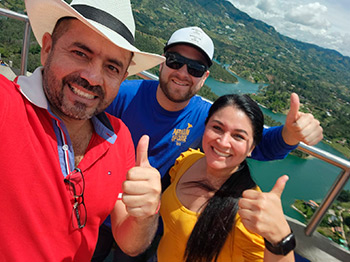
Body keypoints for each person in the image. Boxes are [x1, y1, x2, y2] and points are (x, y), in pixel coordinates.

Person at [93, 27, 322, 260]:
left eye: (195, 68)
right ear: (161, 64)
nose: (182, 73)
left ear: (204, 79)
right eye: (175, 61)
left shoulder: (209, 120)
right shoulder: (123, 95)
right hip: (98, 210)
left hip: (147, 224)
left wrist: (291, 134)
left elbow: (255, 142)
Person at [0, 0, 165, 261]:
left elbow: (130, 243)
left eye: (112, 67)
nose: (92, 77)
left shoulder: (119, 137)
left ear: (122, 79)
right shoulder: (7, 104)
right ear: (47, 48)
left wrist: (145, 213)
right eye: (80, 53)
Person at [157, 94, 295, 262]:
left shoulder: (247, 210)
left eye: (238, 136)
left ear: (251, 148)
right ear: (205, 126)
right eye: (217, 128)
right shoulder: (188, 161)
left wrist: (280, 239)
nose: (223, 142)